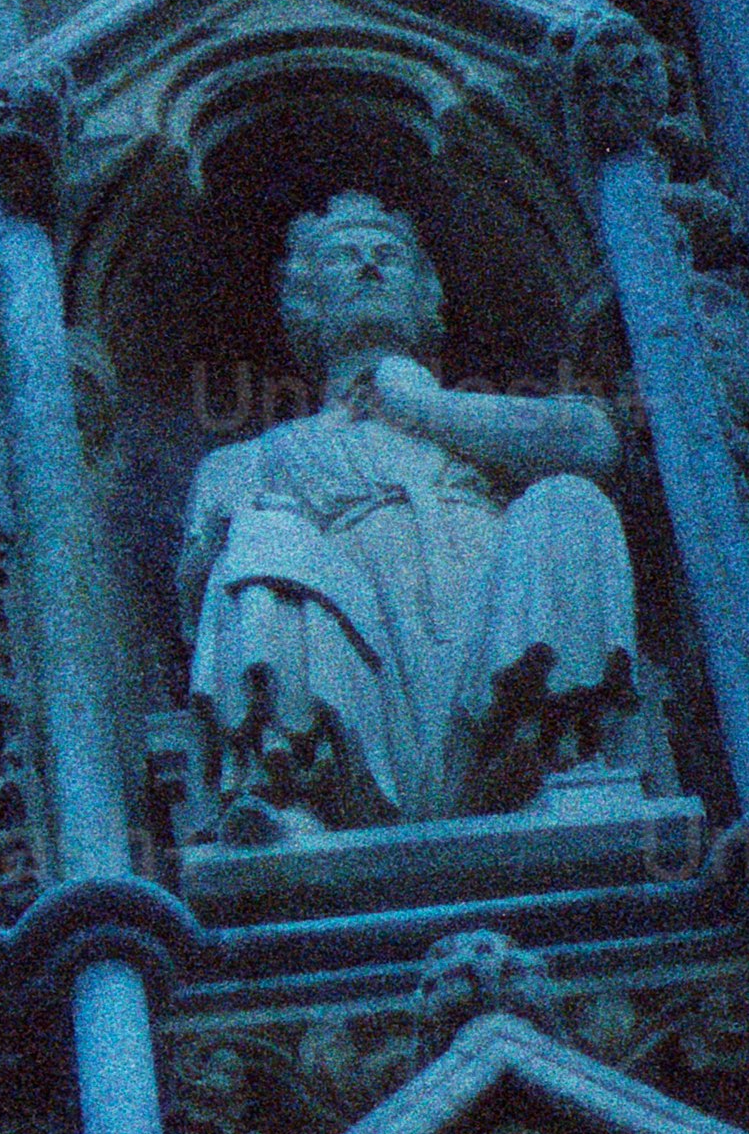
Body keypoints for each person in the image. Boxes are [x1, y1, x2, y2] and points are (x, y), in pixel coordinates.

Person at [179, 192, 642, 834]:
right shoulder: (252, 457)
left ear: (427, 298)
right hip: (350, 666)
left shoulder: (475, 421)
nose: (370, 266)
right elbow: (200, 589)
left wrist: (418, 405)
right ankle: (289, 794)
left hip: (489, 639)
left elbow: (594, 445)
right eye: (345, 257)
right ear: (305, 301)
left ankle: (562, 764)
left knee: (568, 502)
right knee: (265, 540)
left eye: (388, 256)